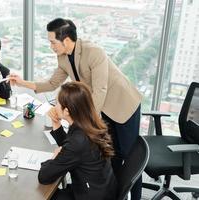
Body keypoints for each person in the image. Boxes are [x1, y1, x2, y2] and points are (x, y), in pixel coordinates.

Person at [10, 18, 142, 199]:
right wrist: (22, 82)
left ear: (65, 40)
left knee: (128, 157)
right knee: (111, 155)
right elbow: (52, 83)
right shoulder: (63, 57)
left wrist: (84, 122)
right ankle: (111, 192)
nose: (51, 46)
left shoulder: (94, 52)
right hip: (98, 107)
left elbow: (100, 90)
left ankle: (134, 196)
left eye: (52, 42)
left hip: (122, 105)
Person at [38, 82, 117, 200]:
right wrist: (56, 123)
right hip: (101, 188)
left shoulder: (78, 140)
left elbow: (44, 176)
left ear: (67, 111)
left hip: (89, 195)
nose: (54, 106)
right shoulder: (89, 123)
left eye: (57, 103)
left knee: (43, 195)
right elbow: (70, 148)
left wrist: (54, 157)